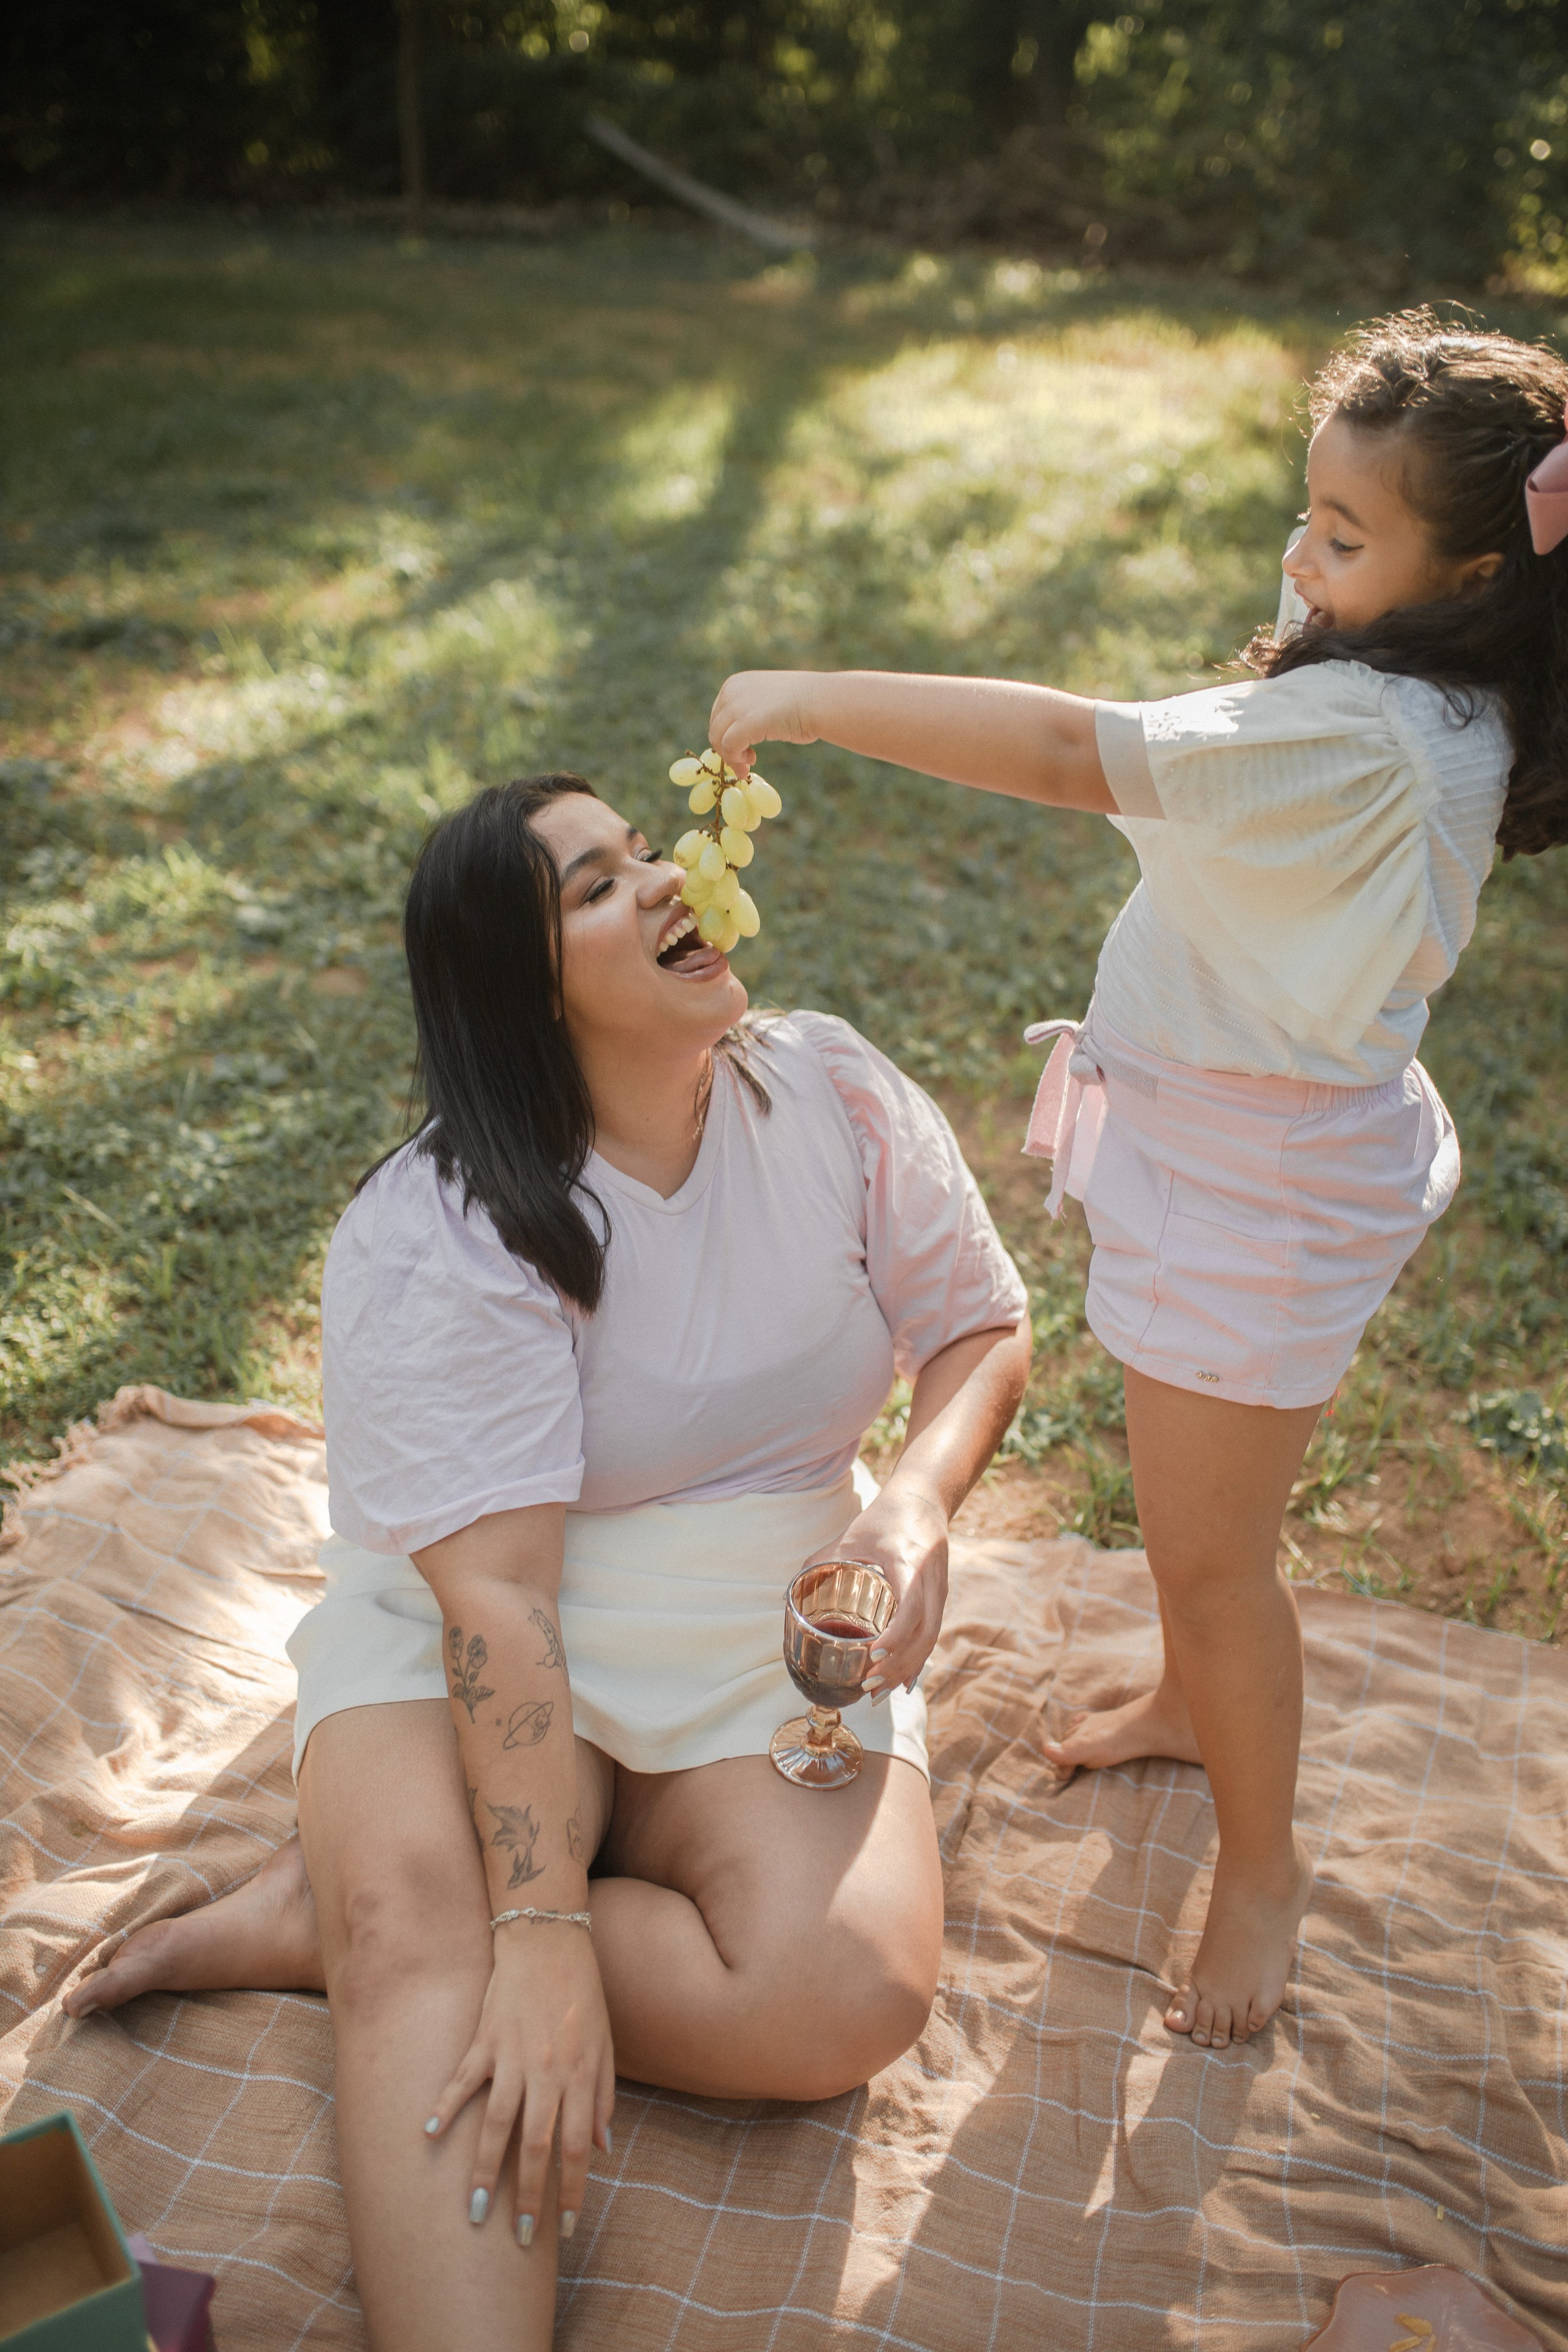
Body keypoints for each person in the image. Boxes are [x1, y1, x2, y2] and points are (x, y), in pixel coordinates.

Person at [65, 772, 1031, 2352]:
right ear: (524, 996)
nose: (662, 884)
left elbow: (983, 1327)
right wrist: (537, 1936)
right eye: (591, 887)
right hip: (488, 1613)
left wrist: (911, 1503)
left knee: (844, 1993)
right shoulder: (438, 1228)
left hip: (761, 1612)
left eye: (646, 852)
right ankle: (394, 1919)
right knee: (435, 1946)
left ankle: (351, 1908)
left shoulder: (835, 1091)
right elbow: (501, 1604)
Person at [705, 309, 1568, 2057]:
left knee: (1216, 1558)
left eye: (1344, 535)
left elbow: (1057, 753)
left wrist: (802, 698)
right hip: (1242, 1152)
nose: (1299, 554)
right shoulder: (1418, 695)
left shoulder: (1356, 737)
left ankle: (1263, 1864)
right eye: (1305, 513)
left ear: (1476, 567)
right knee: (1199, 1531)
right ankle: (1191, 1693)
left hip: (1253, 1193)